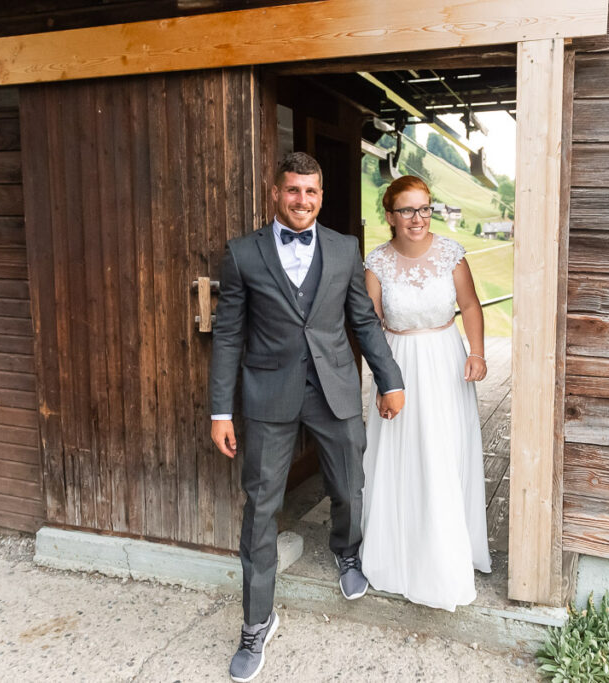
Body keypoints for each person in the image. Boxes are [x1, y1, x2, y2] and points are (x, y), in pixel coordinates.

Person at [209, 152, 405, 682]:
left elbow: (363, 322)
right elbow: (228, 334)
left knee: (348, 486)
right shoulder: (242, 253)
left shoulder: (343, 250)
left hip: (335, 388)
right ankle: (256, 622)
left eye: (311, 192)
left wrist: (391, 379)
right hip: (268, 395)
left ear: (321, 196)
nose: (303, 201)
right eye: (293, 191)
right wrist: (220, 411)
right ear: (275, 193)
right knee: (260, 505)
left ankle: (347, 551)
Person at [360, 175, 492, 611]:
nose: (417, 218)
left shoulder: (451, 254)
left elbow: (470, 305)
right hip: (399, 363)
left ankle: (448, 548)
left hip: (444, 360)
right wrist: (384, 380)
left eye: (424, 208)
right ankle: (401, 552)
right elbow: (371, 325)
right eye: (407, 210)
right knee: (404, 453)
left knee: (444, 452)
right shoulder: (376, 263)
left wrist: (477, 352)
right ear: (390, 216)